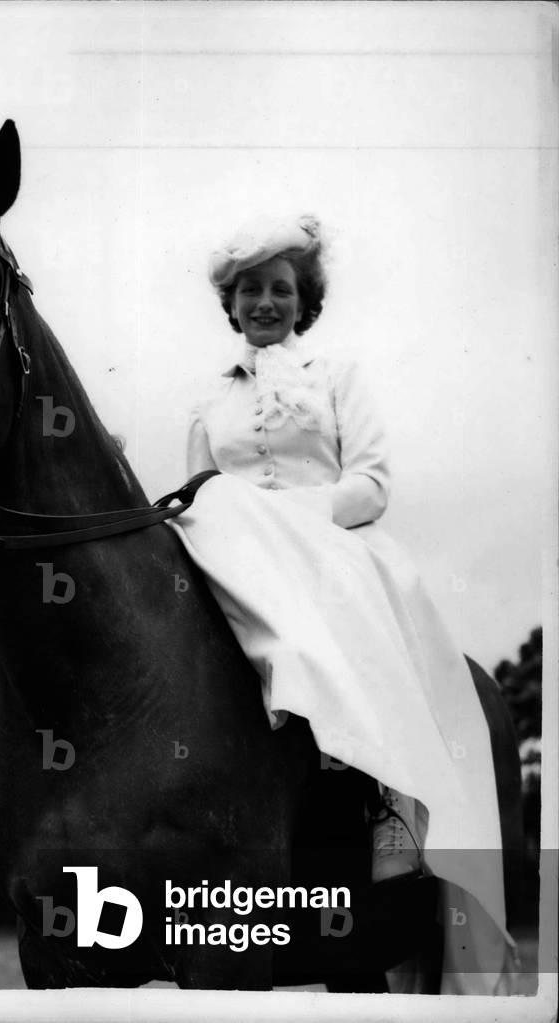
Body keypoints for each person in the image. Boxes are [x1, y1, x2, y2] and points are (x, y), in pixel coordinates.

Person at [166, 214, 519, 994]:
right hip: (230, 555)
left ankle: (385, 804)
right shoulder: (204, 397)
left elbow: (372, 484)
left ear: (304, 300)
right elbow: (195, 494)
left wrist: (288, 518)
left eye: (281, 288)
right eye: (250, 288)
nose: (265, 301)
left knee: (330, 636)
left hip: (329, 548)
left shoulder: (337, 374)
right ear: (232, 302)